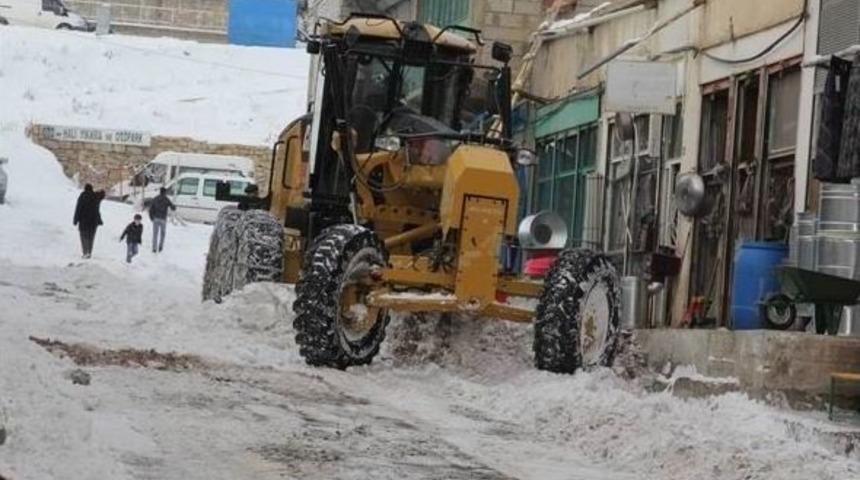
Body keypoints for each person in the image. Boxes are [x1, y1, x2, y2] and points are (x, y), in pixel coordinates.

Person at [73, 183, 105, 259]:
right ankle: (89, 252)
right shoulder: (95, 196)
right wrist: (102, 190)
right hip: (94, 221)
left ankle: (85, 252)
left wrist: (75, 220)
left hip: (84, 221)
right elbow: (102, 195)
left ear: (85, 189)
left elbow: (78, 208)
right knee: (91, 237)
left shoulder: (82, 196)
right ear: (92, 189)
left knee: (84, 237)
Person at [148, 187, 176, 253]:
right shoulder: (166, 199)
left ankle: (154, 248)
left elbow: (151, 209)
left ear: (160, 192)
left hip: (156, 218)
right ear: (165, 192)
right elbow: (172, 207)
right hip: (163, 219)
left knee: (155, 234)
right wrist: (174, 207)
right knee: (162, 234)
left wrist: (151, 217)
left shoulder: (155, 198)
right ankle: (160, 247)